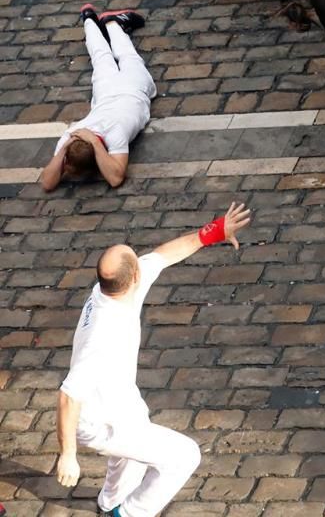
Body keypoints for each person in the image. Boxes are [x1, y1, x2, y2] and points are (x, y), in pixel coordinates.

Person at [55, 203, 252, 517]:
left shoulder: (110, 288)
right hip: (98, 421)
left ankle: (109, 503)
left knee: (129, 453)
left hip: (119, 400)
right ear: (134, 276)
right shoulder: (105, 333)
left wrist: (215, 231)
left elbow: (165, 254)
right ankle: (131, 514)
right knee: (185, 456)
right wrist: (68, 455)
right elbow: (68, 396)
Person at [41, 5, 156, 191]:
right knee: (101, 58)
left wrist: (90, 145)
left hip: (133, 88)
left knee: (127, 58)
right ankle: (89, 18)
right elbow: (47, 183)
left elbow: (116, 178)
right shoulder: (75, 133)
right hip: (108, 92)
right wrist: (80, 144)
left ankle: (112, 23)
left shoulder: (114, 134)